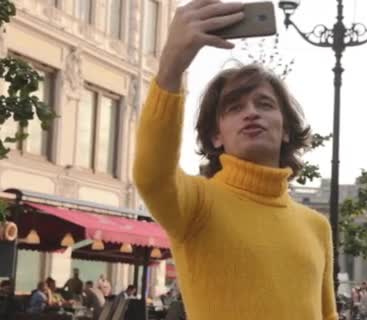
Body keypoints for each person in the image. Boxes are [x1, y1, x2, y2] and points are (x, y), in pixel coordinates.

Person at [132, 1, 337, 319]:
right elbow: (152, 175)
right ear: (216, 136)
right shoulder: (197, 204)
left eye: (265, 104)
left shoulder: (317, 227)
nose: (251, 112)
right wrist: (172, 67)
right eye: (234, 108)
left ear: (286, 130)